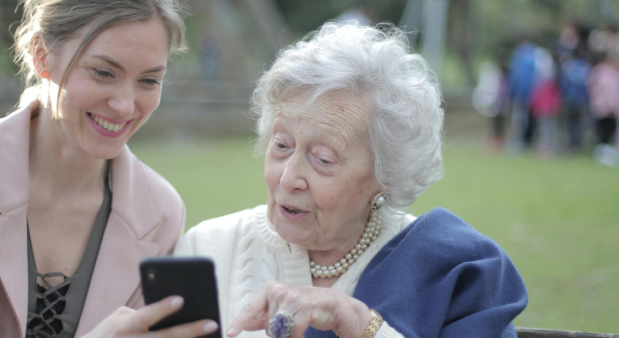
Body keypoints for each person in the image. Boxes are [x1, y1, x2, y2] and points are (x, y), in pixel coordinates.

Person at [0, 0, 219, 337]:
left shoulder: (161, 213)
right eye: (104, 72)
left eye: (149, 80)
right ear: (42, 56)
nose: (124, 105)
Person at [175, 22, 528, 338]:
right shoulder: (205, 250)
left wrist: (360, 325)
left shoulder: (450, 270)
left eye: (323, 159)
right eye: (281, 145)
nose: (289, 177)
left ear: (386, 174)